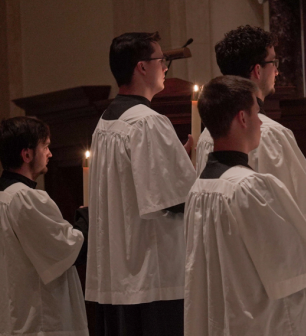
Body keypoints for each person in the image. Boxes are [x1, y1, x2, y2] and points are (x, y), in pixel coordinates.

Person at [195, 25, 306, 327]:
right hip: (272, 284)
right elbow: (299, 207)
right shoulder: (272, 133)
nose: (277, 71)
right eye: (273, 63)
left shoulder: (209, 135)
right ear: (257, 70)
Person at [86, 32, 196, 335]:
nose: (166, 67)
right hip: (153, 275)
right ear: (142, 67)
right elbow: (176, 200)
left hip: (119, 273)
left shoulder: (106, 122)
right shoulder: (147, 121)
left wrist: (175, 161)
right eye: (162, 60)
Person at [0, 116, 88, 336]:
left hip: (12, 315)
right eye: (45, 146)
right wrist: (88, 216)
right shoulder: (25, 198)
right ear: (27, 154)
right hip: (37, 322)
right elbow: (69, 250)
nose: (49, 153)